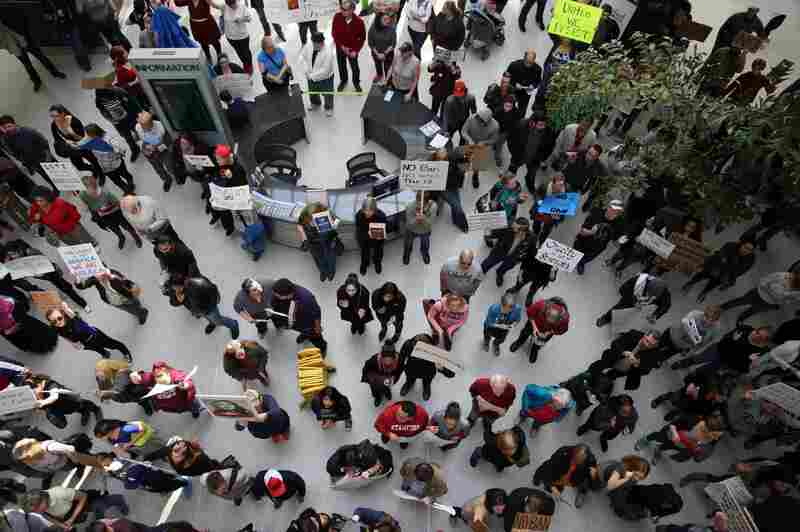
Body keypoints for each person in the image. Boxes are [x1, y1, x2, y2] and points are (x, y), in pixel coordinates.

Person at [1, 239, 90, 311]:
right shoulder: (16, 259)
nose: (12, 257)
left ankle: (83, 303)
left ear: (18, 250)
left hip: (49, 271)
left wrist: (45, 269)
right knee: (60, 284)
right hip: (42, 275)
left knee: (64, 286)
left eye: (12, 254)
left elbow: (44, 259)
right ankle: (68, 290)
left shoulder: (30, 252)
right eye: (10, 255)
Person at [46, 302, 132, 361]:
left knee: (112, 344)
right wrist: (74, 344)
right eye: (54, 321)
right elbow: (64, 336)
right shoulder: (56, 328)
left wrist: (66, 308)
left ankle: (126, 352)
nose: (58, 322)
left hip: (95, 335)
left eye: (59, 318)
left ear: (63, 315)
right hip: (85, 343)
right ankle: (105, 353)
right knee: (97, 349)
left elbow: (71, 314)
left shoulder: (73, 319)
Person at [671, 324, 772, 374]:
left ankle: (693, 375)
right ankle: (683, 363)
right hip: (719, 349)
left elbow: (742, 365)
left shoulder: (758, 351)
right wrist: (734, 342)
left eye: (761, 338)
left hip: (725, 362)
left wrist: (749, 362)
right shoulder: (745, 329)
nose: (757, 336)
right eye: (758, 333)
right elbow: (725, 339)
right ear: (757, 329)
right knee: (698, 358)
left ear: (764, 341)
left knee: (706, 370)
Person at [76, 173, 140, 248]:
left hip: (115, 212)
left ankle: (134, 235)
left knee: (126, 225)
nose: (91, 191)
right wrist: (83, 204)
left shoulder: (104, 192)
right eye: (86, 188)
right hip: (103, 216)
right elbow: (84, 209)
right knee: (114, 229)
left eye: (92, 187)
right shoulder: (82, 195)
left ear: (95, 185)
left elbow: (116, 201)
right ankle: (121, 236)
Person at [681, 238, 756, 302]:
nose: (747, 251)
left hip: (725, 274)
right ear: (741, 244)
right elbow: (720, 257)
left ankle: (704, 292)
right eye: (746, 247)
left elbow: (741, 271)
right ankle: (690, 283)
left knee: (713, 284)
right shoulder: (730, 246)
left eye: (750, 250)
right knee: (701, 275)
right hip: (715, 266)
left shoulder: (750, 259)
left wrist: (729, 278)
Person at [588, 329, 664, 391]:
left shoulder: (655, 354)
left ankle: (606, 378)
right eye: (647, 341)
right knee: (600, 365)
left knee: (612, 375)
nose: (647, 345)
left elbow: (646, 371)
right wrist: (623, 352)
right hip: (614, 357)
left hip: (627, 369)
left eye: (651, 344)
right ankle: (590, 373)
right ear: (644, 336)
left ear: (655, 345)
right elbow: (615, 344)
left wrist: (638, 364)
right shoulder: (633, 334)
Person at [0, 21, 66, 92]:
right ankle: (37, 81)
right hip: (13, 46)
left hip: (25, 38)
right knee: (27, 65)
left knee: (41, 56)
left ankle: (55, 72)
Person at [635, 413, 725, 465]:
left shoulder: (713, 436)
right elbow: (674, 423)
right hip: (673, 433)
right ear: (711, 417)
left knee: (668, 446)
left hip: (684, 444)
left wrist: (697, 448)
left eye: (718, 425)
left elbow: (706, 447)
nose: (715, 424)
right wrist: (675, 434)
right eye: (715, 421)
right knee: (658, 437)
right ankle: (645, 440)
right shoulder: (696, 420)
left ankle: (658, 449)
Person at [0, 116, 58, 193]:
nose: (8, 129)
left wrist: (48, 156)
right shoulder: (6, 139)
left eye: (9, 126)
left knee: (58, 171)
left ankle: (73, 186)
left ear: (14, 124)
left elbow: (44, 141)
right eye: (5, 127)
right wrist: (25, 163)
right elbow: (14, 153)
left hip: (44, 156)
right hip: (33, 163)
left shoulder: (27, 131)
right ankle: (55, 187)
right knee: (46, 176)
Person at [21, 487, 128, 528]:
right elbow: (48, 517)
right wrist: (63, 526)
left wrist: (72, 518)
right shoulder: (40, 509)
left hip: (82, 502)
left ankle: (117, 499)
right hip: (69, 513)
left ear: (43, 500)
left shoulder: (59, 492)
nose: (37, 512)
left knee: (101, 508)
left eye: (37, 509)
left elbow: (83, 496)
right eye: (35, 511)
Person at [596, 272, 672, 328]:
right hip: (631, 298)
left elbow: (666, 305)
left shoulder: (664, 291)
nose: (650, 295)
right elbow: (623, 289)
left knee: (631, 318)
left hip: (645, 307)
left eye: (654, 295)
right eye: (649, 293)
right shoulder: (639, 280)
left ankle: (622, 327)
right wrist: (634, 302)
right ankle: (606, 318)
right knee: (619, 307)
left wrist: (655, 315)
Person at [271, 279, 328, 353]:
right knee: (303, 331)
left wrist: (317, 327)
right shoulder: (278, 293)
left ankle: (322, 347)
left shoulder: (307, 299)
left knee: (315, 337)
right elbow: (274, 303)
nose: (275, 296)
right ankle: (304, 335)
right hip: (295, 322)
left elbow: (316, 313)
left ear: (289, 295)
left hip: (308, 324)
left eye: (277, 296)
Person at [720, 271, 800, 324]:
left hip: (768, 303)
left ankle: (741, 318)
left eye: (794, 287)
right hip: (758, 294)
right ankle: (723, 307)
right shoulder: (783, 276)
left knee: (753, 311)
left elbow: (788, 301)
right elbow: (765, 281)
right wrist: (775, 294)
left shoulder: (797, 291)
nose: (791, 285)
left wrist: (779, 297)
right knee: (741, 301)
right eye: (792, 282)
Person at [509, 297, 570, 364]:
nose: (548, 321)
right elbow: (530, 314)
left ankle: (535, 348)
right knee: (525, 333)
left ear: (559, 319)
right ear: (547, 310)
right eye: (547, 317)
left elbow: (562, 330)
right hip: (534, 323)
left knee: (541, 341)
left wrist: (548, 332)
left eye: (552, 320)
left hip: (548, 330)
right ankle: (520, 341)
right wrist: (535, 328)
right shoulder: (540, 305)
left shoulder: (564, 319)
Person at [507, 110, 556, 192]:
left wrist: (542, 158)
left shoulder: (548, 131)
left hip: (535, 160)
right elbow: (511, 139)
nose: (543, 127)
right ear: (532, 122)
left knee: (532, 175)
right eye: (540, 125)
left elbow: (550, 147)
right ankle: (508, 183)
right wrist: (514, 153)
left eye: (544, 124)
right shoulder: (521, 125)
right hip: (519, 156)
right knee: (512, 171)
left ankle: (529, 183)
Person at [79, 124, 136, 194]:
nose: (87, 136)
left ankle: (130, 184)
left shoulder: (108, 139)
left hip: (117, 164)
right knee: (116, 181)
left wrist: (117, 153)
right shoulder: (90, 141)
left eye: (88, 134)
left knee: (125, 175)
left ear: (94, 133)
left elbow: (122, 149)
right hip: (105, 168)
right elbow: (79, 145)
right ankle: (127, 190)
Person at [573, 199, 625, 274]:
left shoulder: (619, 224)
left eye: (616, 212)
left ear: (619, 214)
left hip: (597, 248)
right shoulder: (596, 212)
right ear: (608, 207)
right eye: (611, 209)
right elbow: (582, 231)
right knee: (574, 254)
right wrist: (591, 232)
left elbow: (615, 242)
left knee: (587, 258)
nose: (612, 212)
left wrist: (619, 241)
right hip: (582, 241)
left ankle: (581, 263)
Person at [77, 269, 148, 324]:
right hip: (113, 300)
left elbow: (125, 281)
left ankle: (141, 312)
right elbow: (83, 285)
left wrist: (112, 277)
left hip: (125, 296)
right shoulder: (94, 279)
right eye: (95, 276)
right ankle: (138, 312)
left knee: (134, 304)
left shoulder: (112, 273)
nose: (98, 276)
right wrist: (77, 281)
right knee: (127, 309)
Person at [399, 333, 456, 400]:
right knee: (410, 379)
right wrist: (398, 370)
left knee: (427, 381)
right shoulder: (408, 345)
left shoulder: (434, 352)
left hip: (427, 373)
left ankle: (426, 386)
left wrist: (442, 368)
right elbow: (401, 359)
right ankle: (409, 383)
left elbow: (451, 373)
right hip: (411, 371)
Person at [657, 305, 723, 363]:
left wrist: (690, 349)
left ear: (715, 320)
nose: (707, 321)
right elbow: (685, 323)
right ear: (704, 312)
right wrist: (696, 338)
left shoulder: (713, 330)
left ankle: (658, 361)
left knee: (665, 356)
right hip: (671, 334)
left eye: (712, 320)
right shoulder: (695, 314)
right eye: (706, 316)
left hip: (680, 346)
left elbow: (702, 343)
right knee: (657, 345)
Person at [136, 361, 203, 418]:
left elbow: (185, 380)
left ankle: (195, 412)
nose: (159, 380)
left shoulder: (176, 377)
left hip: (185, 403)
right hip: (169, 406)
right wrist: (138, 376)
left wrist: (186, 385)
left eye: (160, 375)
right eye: (156, 376)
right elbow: (145, 377)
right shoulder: (153, 380)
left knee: (194, 407)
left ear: (168, 373)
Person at [94, 85, 141, 161]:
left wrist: (139, 112)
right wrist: (111, 120)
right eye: (103, 98)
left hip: (129, 116)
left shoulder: (118, 91)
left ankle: (147, 141)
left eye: (107, 97)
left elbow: (131, 100)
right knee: (127, 137)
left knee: (138, 129)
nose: (106, 99)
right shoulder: (98, 100)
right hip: (118, 122)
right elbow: (103, 111)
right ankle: (135, 149)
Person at [209, 144, 248, 236]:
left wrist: (231, 178)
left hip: (237, 194)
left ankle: (246, 228)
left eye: (218, 159)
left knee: (232, 210)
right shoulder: (222, 165)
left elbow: (242, 186)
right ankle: (228, 226)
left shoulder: (238, 169)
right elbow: (218, 175)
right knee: (220, 207)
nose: (217, 161)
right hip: (225, 190)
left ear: (225, 158)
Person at [143, 436, 229, 476]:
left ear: (185, 460)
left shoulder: (200, 460)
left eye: (177, 450)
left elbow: (206, 463)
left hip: (202, 467)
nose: (175, 446)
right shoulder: (172, 449)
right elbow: (157, 453)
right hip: (193, 466)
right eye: (177, 443)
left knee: (213, 466)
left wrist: (198, 449)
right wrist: (146, 458)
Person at [297, 202, 339, 281]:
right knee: (318, 259)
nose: (312, 220)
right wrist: (304, 239)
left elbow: (337, 219)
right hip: (313, 242)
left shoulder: (328, 212)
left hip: (328, 240)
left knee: (330, 258)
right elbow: (299, 225)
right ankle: (323, 272)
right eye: (310, 218)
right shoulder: (305, 214)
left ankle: (331, 272)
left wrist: (333, 226)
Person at [482, 217, 531, 282]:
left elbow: (531, 252)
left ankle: (499, 274)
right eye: (515, 225)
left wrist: (522, 266)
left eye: (523, 229)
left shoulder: (530, 237)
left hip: (512, 258)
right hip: (499, 252)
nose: (513, 226)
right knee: (486, 264)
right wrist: (488, 232)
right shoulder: (507, 229)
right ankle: (482, 272)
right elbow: (494, 233)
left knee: (504, 268)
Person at [210, 0, 253, 74]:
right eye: (230, 5)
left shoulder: (242, 6)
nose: (232, 7)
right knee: (239, 52)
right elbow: (215, 6)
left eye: (233, 4)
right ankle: (245, 64)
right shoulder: (224, 7)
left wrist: (242, 19)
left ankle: (249, 66)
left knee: (246, 53)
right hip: (230, 37)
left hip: (242, 36)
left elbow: (249, 19)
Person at [332, 1, 366, 93]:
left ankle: (356, 83)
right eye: (341, 9)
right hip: (340, 48)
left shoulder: (359, 22)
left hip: (352, 49)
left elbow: (362, 38)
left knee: (355, 68)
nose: (342, 11)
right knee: (341, 65)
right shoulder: (337, 17)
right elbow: (334, 34)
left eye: (345, 9)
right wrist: (341, 46)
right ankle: (343, 81)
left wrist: (356, 50)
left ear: (352, 10)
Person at [462, 108, 499, 188]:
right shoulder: (471, 119)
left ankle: (475, 176)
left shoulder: (495, 126)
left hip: (481, 148)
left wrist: (485, 142)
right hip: (469, 145)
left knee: (478, 164)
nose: (478, 121)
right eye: (478, 118)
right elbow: (464, 131)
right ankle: (462, 173)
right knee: (466, 159)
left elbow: (494, 139)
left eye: (481, 120)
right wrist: (469, 140)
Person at [135, 111, 172, 192]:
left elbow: (168, 141)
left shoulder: (160, 126)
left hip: (162, 151)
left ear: (152, 122)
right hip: (150, 153)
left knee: (169, 165)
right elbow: (138, 139)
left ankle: (175, 175)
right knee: (158, 169)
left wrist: (157, 147)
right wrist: (144, 148)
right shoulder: (138, 127)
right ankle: (167, 180)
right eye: (143, 127)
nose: (144, 130)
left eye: (146, 127)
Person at [326, 439, 394, 483]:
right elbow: (331, 467)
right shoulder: (335, 461)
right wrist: (345, 470)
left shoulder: (365, 453)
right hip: (340, 467)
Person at [301, 32, 336, 117]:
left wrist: (311, 76)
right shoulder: (309, 45)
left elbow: (325, 70)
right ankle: (315, 103)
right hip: (310, 75)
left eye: (316, 45)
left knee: (327, 94)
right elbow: (303, 58)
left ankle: (329, 108)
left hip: (325, 78)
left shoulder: (328, 52)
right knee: (312, 91)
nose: (314, 46)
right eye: (313, 43)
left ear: (322, 43)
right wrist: (306, 70)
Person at [49, 105, 93, 172]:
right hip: (71, 149)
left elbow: (82, 137)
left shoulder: (74, 121)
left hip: (82, 146)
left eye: (56, 116)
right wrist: (64, 145)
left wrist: (71, 132)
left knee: (94, 161)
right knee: (79, 166)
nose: (54, 119)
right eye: (52, 116)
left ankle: (100, 173)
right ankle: (93, 169)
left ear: (63, 114)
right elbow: (56, 138)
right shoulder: (54, 125)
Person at [434, 148, 469, 232]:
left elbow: (463, 163)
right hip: (443, 189)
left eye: (443, 158)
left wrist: (463, 166)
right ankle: (463, 225)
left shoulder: (453, 158)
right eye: (439, 158)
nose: (441, 160)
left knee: (456, 205)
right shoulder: (434, 165)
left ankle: (455, 221)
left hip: (454, 186)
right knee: (458, 207)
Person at [362, 342, 406, 406]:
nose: (387, 361)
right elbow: (366, 368)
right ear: (382, 356)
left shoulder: (399, 360)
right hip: (376, 380)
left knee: (386, 387)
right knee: (375, 390)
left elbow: (399, 371)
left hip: (388, 379)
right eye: (385, 357)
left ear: (393, 357)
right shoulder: (374, 360)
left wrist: (395, 379)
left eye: (390, 358)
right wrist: (368, 379)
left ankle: (387, 392)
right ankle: (377, 397)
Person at [93, 419, 163, 459]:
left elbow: (142, 430)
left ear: (109, 431)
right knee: (150, 451)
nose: (101, 439)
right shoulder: (110, 438)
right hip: (137, 446)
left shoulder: (125, 429)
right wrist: (121, 448)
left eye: (101, 437)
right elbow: (116, 444)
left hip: (146, 441)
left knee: (158, 447)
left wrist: (130, 444)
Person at [109, 46, 148, 112]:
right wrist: (135, 81)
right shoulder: (120, 71)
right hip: (135, 92)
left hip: (140, 87)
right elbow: (123, 85)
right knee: (143, 103)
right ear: (119, 57)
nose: (127, 53)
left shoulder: (127, 61)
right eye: (124, 53)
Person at [403, 191, 436, 265]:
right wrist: (416, 220)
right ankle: (407, 254)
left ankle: (425, 254)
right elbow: (409, 223)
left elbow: (429, 224)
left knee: (425, 244)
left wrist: (423, 219)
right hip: (411, 230)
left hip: (425, 231)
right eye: (418, 202)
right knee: (408, 244)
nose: (419, 206)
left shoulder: (433, 207)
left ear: (427, 202)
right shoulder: (410, 206)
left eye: (422, 204)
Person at [356, 197, 387, 274]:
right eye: (365, 210)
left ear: (374, 209)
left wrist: (380, 233)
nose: (367, 213)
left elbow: (386, 228)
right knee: (364, 252)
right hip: (364, 238)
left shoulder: (381, 216)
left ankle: (377, 263)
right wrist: (367, 233)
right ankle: (364, 263)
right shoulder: (359, 215)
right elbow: (359, 228)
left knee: (378, 252)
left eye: (370, 210)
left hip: (377, 239)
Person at [368, 13, 397, 84]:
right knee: (378, 65)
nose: (387, 21)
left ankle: (387, 79)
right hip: (376, 53)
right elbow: (371, 43)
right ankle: (379, 75)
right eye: (384, 19)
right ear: (379, 20)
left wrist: (384, 54)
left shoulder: (392, 29)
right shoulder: (373, 28)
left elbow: (393, 44)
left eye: (388, 19)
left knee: (387, 67)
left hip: (388, 53)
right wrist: (377, 54)